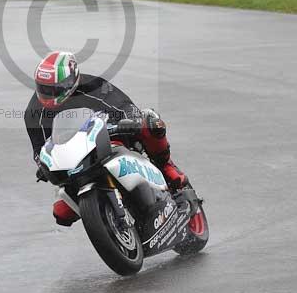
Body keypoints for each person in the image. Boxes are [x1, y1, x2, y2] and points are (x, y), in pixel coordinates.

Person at [24, 50, 189, 227]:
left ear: (72, 80)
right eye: (43, 88)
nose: (49, 94)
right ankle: (108, 222)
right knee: (61, 213)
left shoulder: (94, 86)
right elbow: (40, 150)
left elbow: (125, 106)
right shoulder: (33, 113)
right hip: (76, 161)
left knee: (150, 122)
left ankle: (166, 165)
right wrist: (43, 166)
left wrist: (130, 120)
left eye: (54, 89)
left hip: (110, 138)